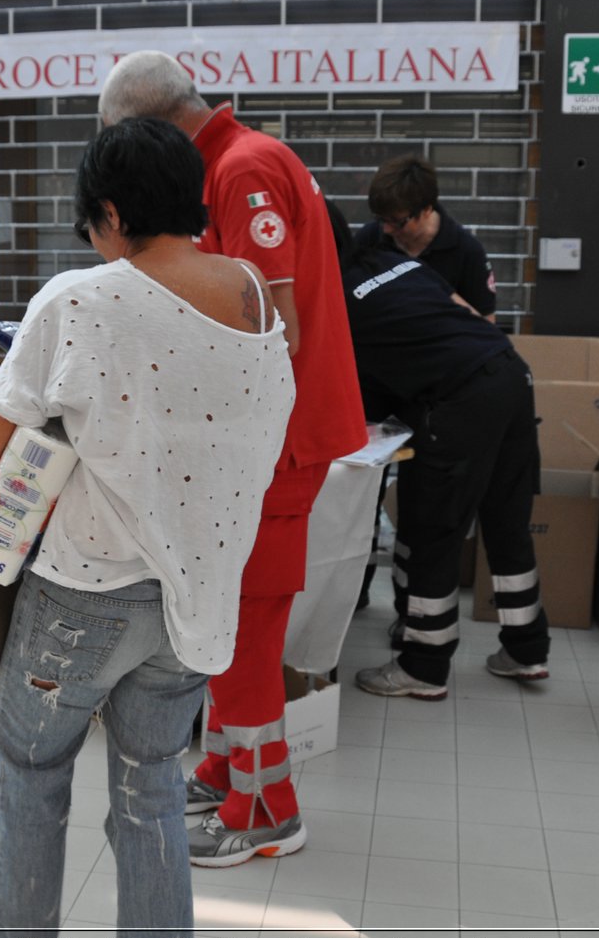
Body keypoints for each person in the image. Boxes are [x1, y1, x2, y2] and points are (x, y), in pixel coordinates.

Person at [0, 118, 295, 938]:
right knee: (152, 795)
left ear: (107, 211)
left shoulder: (80, 298)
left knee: (26, 776)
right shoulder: (252, 292)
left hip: (82, 598)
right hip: (195, 603)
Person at [98, 51, 366, 866]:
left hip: (272, 443)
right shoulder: (234, 159)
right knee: (224, 613)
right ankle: (222, 768)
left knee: (244, 622)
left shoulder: (242, 171)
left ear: (149, 127)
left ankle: (267, 808)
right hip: (265, 438)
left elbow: (265, 323)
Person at [326, 202, 551, 701]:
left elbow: (355, 391)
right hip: (510, 371)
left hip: (462, 398)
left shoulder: (335, 299)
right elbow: (462, 313)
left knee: (432, 527)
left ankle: (423, 664)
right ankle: (527, 648)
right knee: (506, 518)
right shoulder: (391, 261)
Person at [356, 153, 497, 322]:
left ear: (426, 210)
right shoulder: (368, 240)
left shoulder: (466, 251)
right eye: (381, 219)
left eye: (396, 221)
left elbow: (486, 326)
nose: (386, 229)